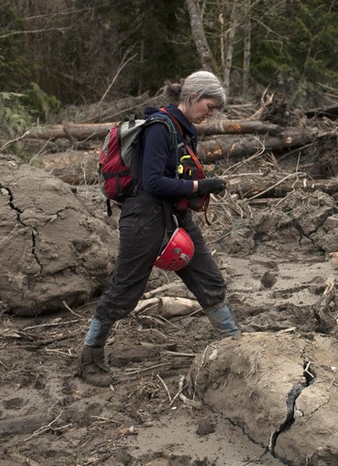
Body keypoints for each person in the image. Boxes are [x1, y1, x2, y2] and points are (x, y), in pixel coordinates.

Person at [78, 71, 241, 387]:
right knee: (125, 291)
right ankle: (90, 358)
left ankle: (237, 344)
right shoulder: (159, 128)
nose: (212, 113)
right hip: (144, 218)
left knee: (209, 279)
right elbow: (152, 182)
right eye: (210, 106)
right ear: (192, 98)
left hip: (175, 217)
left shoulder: (185, 130)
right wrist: (199, 185)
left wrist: (194, 190)